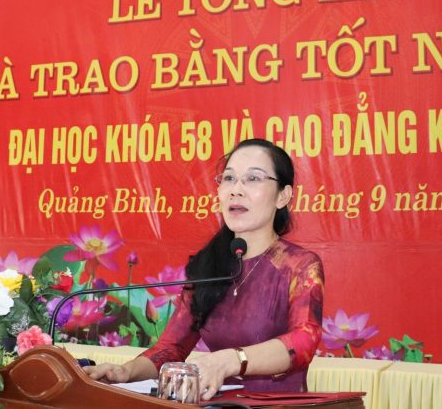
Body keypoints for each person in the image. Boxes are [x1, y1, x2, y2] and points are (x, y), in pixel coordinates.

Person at [84, 139, 324, 401]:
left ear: (283, 196)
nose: (236, 190)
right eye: (229, 178)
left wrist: (231, 360)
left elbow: (305, 340)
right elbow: (172, 348)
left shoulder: (299, 265)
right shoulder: (209, 265)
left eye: (253, 178)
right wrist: (126, 371)